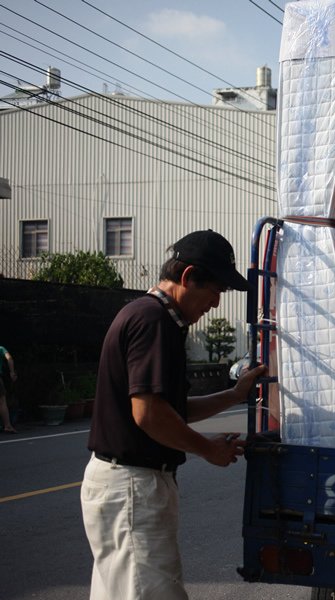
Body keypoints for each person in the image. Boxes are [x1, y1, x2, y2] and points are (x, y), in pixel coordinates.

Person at [80, 229, 266, 600]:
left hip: (127, 485)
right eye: (215, 291)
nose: (214, 303)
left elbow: (172, 410)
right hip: (133, 486)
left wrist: (234, 394)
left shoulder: (152, 317)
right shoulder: (154, 322)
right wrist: (207, 449)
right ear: (187, 277)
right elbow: (149, 414)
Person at [0, 345, 17, 433]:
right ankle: (7, 425)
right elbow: (9, 358)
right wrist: (12, 372)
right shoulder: (1, 348)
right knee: (2, 401)